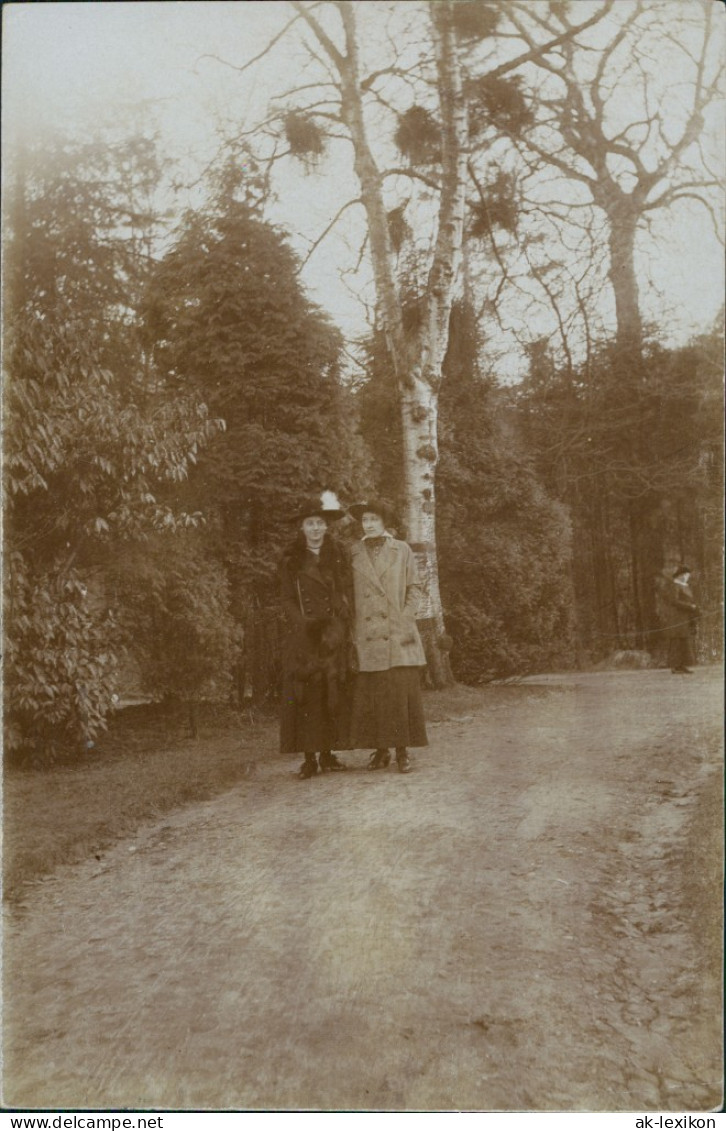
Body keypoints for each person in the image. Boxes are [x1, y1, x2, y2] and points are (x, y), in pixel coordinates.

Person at [348, 500, 428, 773]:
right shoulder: (353, 553)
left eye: (373, 519)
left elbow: (415, 587)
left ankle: (403, 752)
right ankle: (380, 751)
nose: (368, 524)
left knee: (398, 693)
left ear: (384, 522)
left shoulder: (401, 549)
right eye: (365, 520)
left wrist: (406, 617)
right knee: (374, 695)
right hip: (368, 634)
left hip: (397, 632)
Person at [279, 492, 351, 778]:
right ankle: (309, 758)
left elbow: (343, 592)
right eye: (310, 523)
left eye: (320, 523)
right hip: (305, 636)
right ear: (302, 528)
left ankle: (328, 753)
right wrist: (303, 625)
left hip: (332, 635)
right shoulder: (290, 560)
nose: (316, 529)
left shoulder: (338, 555)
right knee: (307, 696)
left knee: (330, 693)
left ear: (326, 526)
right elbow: (285, 599)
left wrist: (340, 622)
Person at [660, 564, 699, 674]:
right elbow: (674, 601)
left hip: (685, 617)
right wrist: (689, 606)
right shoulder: (674, 585)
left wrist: (694, 608)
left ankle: (682, 665)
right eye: (686, 575)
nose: (687, 577)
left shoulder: (685, 586)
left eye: (688, 575)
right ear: (680, 575)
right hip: (676, 617)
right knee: (676, 642)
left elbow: (689, 600)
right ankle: (674, 666)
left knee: (684, 641)